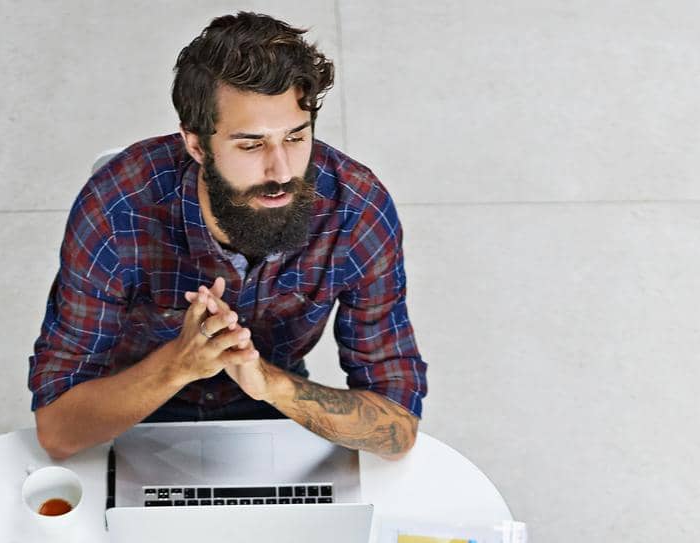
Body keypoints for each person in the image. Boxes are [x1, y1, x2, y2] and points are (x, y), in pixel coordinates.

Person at [29, 11, 427, 460]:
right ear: (197, 145)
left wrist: (270, 384)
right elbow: (56, 430)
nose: (281, 171)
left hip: (275, 399)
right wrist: (177, 365)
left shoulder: (357, 211)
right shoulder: (118, 208)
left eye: (296, 138)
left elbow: (398, 428)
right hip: (135, 403)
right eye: (251, 144)